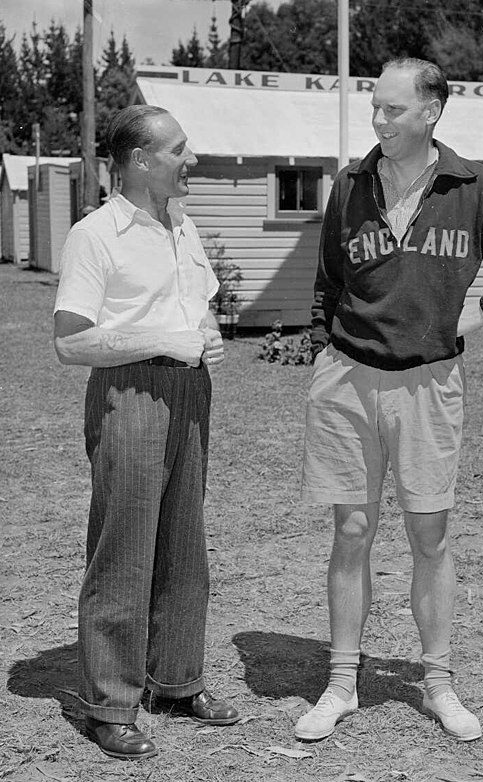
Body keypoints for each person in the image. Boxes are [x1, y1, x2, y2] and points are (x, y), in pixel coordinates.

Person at [296, 58, 483, 743]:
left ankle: (437, 682)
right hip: (347, 382)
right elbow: (329, 280)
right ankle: (341, 684)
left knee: (430, 536)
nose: (378, 121)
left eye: (392, 110)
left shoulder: (474, 187)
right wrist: (321, 348)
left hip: (429, 385)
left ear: (431, 113)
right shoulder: (351, 184)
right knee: (352, 533)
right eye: (374, 107)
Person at [53, 105, 239, 760]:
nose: (190, 160)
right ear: (140, 160)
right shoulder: (96, 235)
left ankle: (177, 681)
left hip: (190, 392)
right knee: (125, 545)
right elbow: (70, 342)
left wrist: (207, 335)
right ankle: (108, 703)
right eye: (179, 151)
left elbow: (198, 305)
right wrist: (163, 337)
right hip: (129, 391)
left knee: (184, 541)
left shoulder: (181, 225)